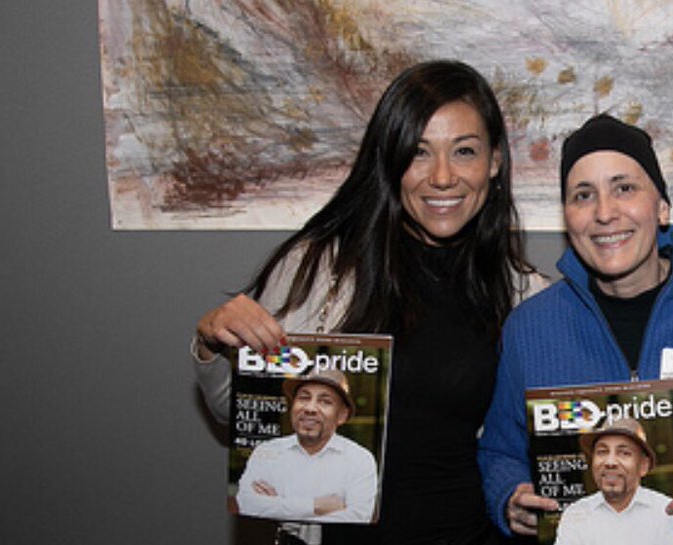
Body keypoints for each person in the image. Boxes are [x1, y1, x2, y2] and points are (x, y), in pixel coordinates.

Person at [191, 60, 546, 545]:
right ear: (390, 160)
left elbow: (522, 449)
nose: (442, 177)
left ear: (496, 161)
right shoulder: (317, 269)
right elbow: (240, 413)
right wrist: (215, 343)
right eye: (418, 153)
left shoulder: (524, 295)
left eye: (464, 151)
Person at [478, 114, 673, 543]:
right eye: (584, 195)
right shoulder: (530, 326)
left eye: (624, 188)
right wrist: (509, 496)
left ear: (661, 207)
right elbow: (498, 451)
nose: (605, 213)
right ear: (568, 216)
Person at [236, 368, 378, 523]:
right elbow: (247, 504)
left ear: (342, 415)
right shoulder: (267, 451)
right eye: (304, 398)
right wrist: (316, 506)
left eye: (325, 401)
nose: (310, 409)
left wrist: (277, 507)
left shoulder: (360, 460)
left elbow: (357, 518)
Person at [554, 418, 673, 545]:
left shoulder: (668, 514)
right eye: (602, 452)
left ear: (643, 466)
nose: (610, 462)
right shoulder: (575, 513)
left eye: (624, 453)